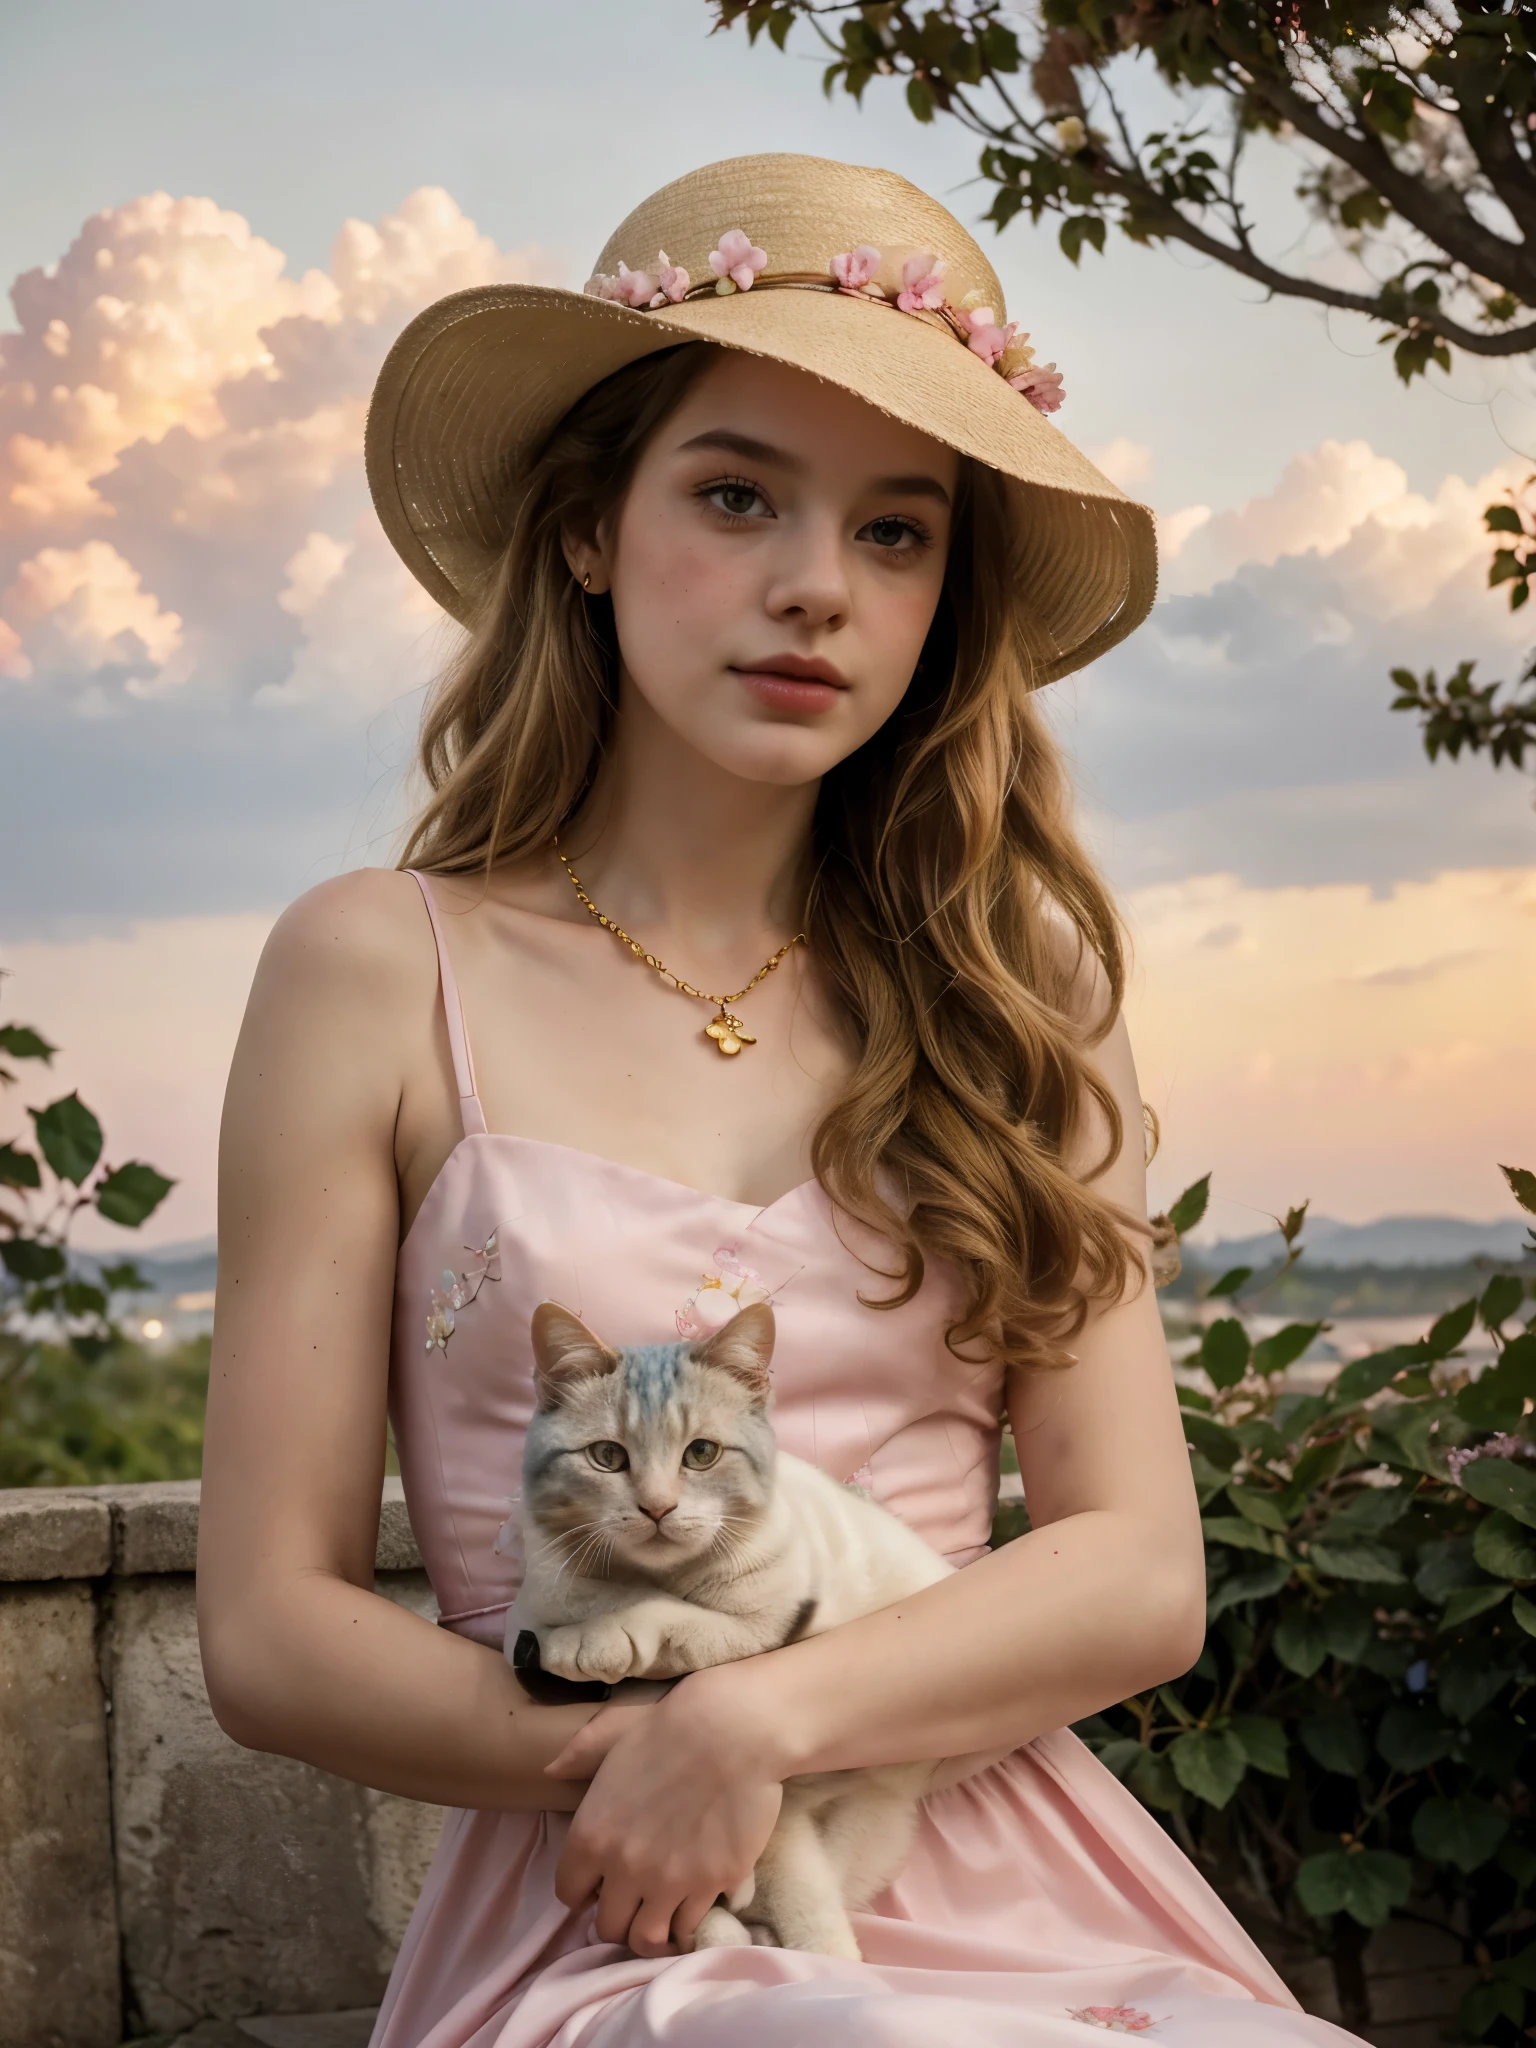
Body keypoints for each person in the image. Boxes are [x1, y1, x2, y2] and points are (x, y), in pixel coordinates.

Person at [197, 155, 1362, 2046]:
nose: (816, 586)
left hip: (1009, 1875)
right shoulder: (374, 970)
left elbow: (1139, 1570)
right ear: (588, 528)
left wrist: (762, 1711)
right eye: (736, 496)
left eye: (897, 535)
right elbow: (266, 1626)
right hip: (621, 1903)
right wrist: (633, 1755)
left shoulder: (1020, 994)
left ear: (938, 601)